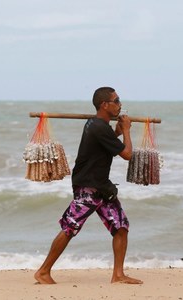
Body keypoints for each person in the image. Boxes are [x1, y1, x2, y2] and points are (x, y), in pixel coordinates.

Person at [34, 87, 143, 285]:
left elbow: (106, 148)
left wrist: (117, 132)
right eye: (117, 101)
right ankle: (43, 272)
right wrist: (126, 130)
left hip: (101, 187)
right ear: (104, 105)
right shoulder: (98, 126)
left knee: (121, 227)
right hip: (88, 187)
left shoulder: (97, 125)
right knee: (70, 227)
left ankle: (118, 275)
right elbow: (127, 154)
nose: (120, 105)